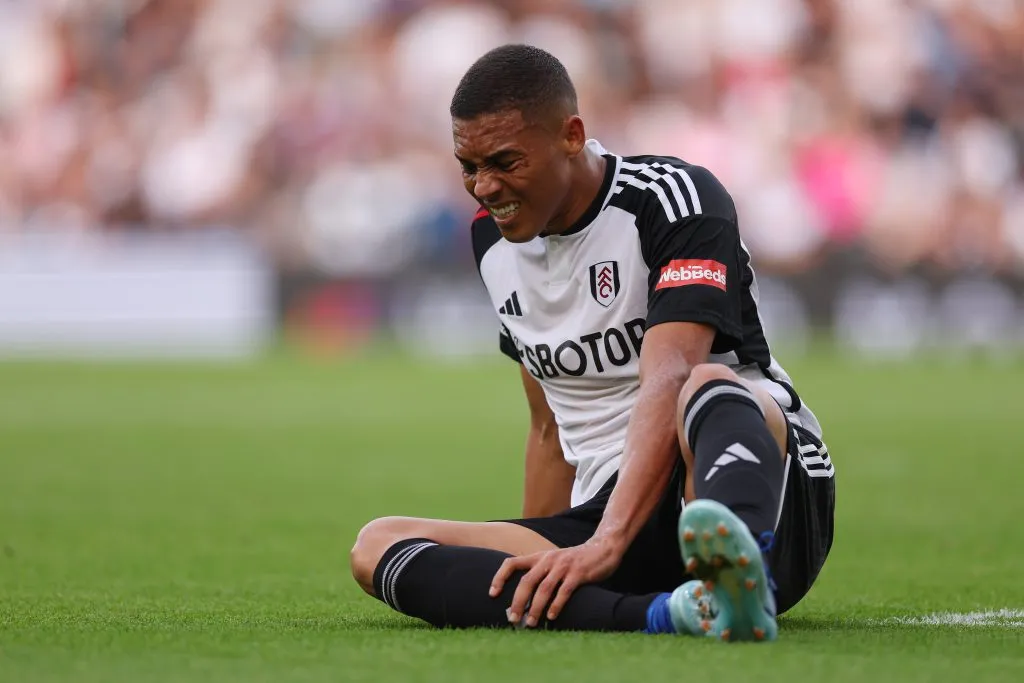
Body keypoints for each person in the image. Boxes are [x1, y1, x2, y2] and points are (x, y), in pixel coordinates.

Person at [349, 44, 835, 642]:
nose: (485, 186)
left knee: (706, 383)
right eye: (468, 166)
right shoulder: (492, 242)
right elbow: (549, 424)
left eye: (504, 161)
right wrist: (548, 552)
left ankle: (740, 572)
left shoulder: (675, 198)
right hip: (604, 513)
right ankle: (671, 615)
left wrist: (606, 544)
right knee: (377, 546)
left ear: (572, 135)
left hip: (749, 483)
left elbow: (671, 373)